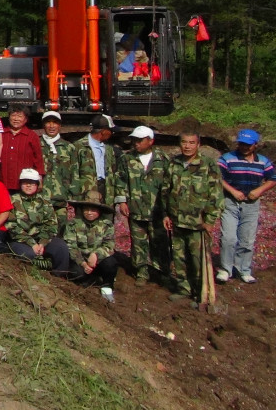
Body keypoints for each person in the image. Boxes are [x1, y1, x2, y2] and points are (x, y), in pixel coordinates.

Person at [161, 132, 223, 303]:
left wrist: (210, 221)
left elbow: (216, 195)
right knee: (179, 258)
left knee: (198, 261)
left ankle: (200, 291)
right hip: (177, 221)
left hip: (198, 224)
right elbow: (166, 191)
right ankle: (184, 289)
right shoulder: (174, 163)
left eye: (191, 143)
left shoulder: (208, 165)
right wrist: (166, 214)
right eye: (184, 142)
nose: (187, 146)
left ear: (198, 144)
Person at [111, 125, 170, 286]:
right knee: (138, 243)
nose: (136, 143)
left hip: (157, 210)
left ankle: (161, 271)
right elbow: (120, 180)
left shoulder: (162, 159)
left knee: (159, 242)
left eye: (140, 140)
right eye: (134, 140)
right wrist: (122, 200)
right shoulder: (127, 159)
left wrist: (168, 209)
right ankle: (141, 271)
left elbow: (169, 184)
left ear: (150, 141)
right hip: (136, 208)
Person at [216, 129, 275, 284]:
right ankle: (225, 269)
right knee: (228, 237)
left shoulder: (263, 161)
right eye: (242, 144)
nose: (244, 147)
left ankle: (243, 269)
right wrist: (233, 191)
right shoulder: (227, 159)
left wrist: (260, 190)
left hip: (251, 204)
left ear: (255, 145)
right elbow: (216, 177)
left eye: (248, 145)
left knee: (247, 239)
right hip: (230, 201)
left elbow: (273, 178)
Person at [0, 169, 69, 274]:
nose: (28, 185)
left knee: (61, 247)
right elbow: (11, 226)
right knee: (28, 255)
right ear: (20, 184)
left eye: (32, 183)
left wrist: (42, 242)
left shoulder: (44, 202)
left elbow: (51, 224)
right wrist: (32, 244)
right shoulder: (12, 200)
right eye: (25, 182)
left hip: (41, 240)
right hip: (20, 240)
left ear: (37, 185)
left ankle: (60, 277)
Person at [64, 190, 120, 302]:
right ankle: (88, 280)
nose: (89, 212)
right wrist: (83, 263)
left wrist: (96, 255)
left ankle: (107, 287)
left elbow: (109, 244)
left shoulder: (106, 225)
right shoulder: (73, 224)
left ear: (99, 211)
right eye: (86, 209)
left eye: (93, 210)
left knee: (111, 263)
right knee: (75, 273)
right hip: (81, 262)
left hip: (98, 262)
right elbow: (71, 246)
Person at [38, 110, 85, 235]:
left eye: (55, 123)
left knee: (61, 231)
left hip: (61, 200)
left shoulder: (69, 147)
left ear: (60, 125)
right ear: (43, 125)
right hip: (40, 199)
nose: (52, 126)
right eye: (48, 122)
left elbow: (74, 173)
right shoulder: (36, 144)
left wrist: (74, 197)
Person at [74, 114, 119, 208]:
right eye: (111, 131)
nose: (112, 134)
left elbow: (114, 170)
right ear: (103, 131)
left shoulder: (109, 149)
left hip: (106, 191)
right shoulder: (79, 147)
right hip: (87, 192)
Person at [0, 106, 42, 192]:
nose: (16, 119)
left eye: (20, 116)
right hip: (3, 181)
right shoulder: (1, 134)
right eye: (13, 115)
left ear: (26, 119)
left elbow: (38, 159)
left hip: (24, 183)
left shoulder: (32, 136)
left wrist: (40, 177)